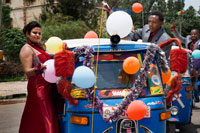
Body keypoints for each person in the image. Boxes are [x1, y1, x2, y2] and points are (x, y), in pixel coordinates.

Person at [19, 21, 59, 133]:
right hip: (38, 88)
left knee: (49, 115)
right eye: (34, 33)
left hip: (47, 86)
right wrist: (39, 69)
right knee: (43, 116)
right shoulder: (26, 49)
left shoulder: (39, 48)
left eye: (39, 33)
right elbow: (27, 71)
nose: (37, 35)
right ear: (27, 34)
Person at [170, 22, 200, 102]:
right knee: (187, 80)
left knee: (194, 81)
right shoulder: (187, 39)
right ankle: (189, 97)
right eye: (192, 34)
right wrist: (173, 29)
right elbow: (178, 37)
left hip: (197, 65)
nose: (193, 35)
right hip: (187, 64)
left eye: (195, 34)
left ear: (198, 34)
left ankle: (196, 97)